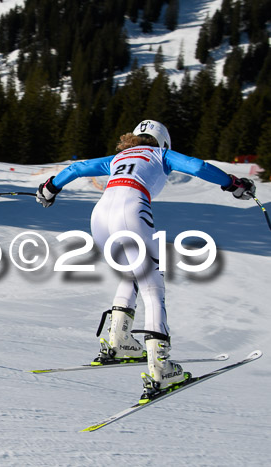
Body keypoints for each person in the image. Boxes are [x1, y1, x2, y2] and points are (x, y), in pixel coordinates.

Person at [36, 120, 256, 401]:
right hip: (132, 207)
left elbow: (77, 168)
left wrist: (50, 188)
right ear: (163, 142)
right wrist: (234, 184)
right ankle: (161, 369)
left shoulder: (118, 157)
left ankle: (119, 343)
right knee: (153, 284)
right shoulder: (160, 155)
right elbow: (199, 167)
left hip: (100, 214)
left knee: (131, 274)